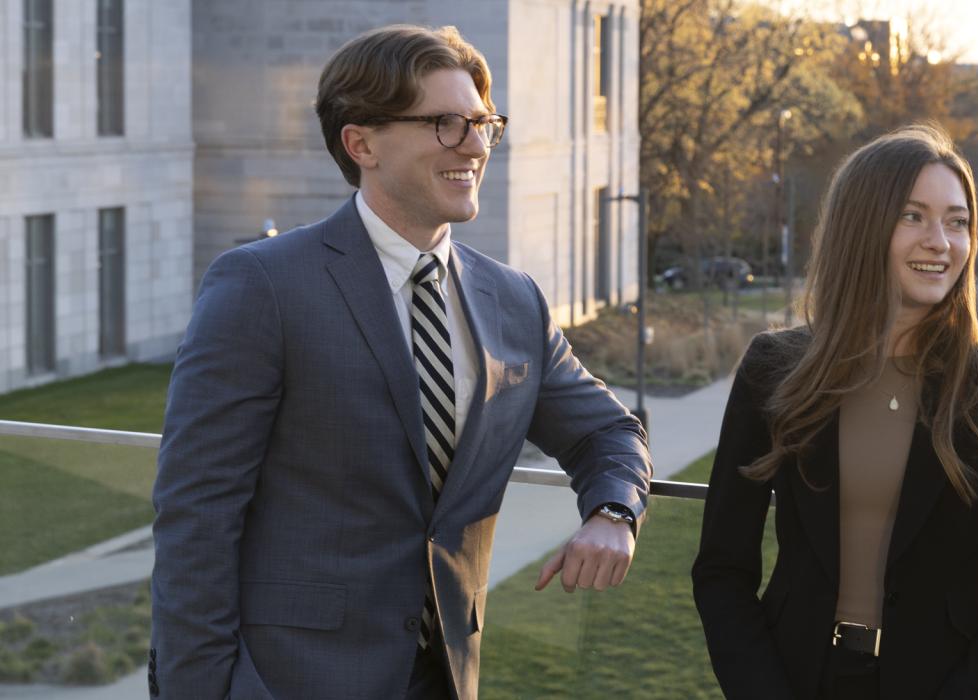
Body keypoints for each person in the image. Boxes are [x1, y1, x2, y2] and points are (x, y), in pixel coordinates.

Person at [150, 25, 651, 700]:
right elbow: (196, 516)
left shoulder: (514, 301)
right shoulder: (262, 285)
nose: (475, 146)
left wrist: (613, 514)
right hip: (288, 680)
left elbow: (608, 433)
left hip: (444, 677)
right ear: (362, 144)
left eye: (482, 123)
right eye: (447, 123)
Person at [692, 125, 978, 699]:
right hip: (795, 678)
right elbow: (722, 567)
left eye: (957, 221)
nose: (940, 241)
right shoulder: (775, 367)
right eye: (912, 216)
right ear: (862, 226)